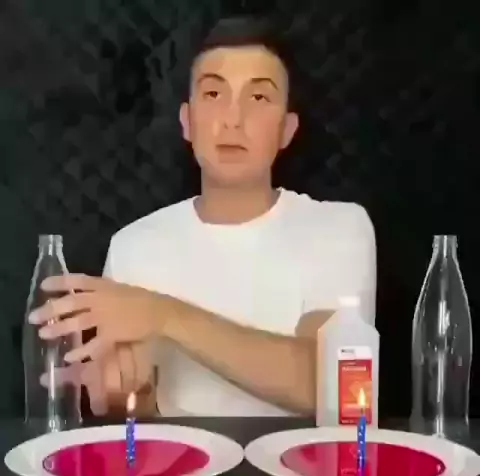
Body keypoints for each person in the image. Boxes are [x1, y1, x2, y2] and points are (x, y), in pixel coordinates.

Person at [29, 15, 377, 417]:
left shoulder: (339, 229)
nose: (233, 119)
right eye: (213, 94)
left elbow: (335, 387)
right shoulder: (133, 246)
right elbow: (140, 416)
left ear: (287, 129)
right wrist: (126, 394)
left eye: (258, 98)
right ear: (187, 122)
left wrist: (162, 314)